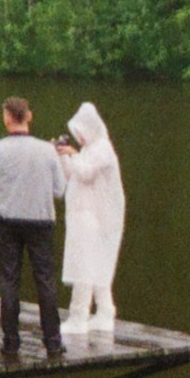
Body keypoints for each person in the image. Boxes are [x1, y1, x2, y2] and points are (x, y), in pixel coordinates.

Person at [0, 98, 66, 360]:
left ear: (7, 118)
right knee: (45, 280)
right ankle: (52, 341)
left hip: (8, 221)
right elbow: (59, 190)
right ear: (28, 116)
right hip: (41, 221)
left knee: (9, 280)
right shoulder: (47, 150)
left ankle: (10, 342)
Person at [57, 102, 126, 335]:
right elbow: (72, 175)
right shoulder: (88, 150)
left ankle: (79, 316)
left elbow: (86, 173)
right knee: (95, 263)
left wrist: (74, 155)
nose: (79, 137)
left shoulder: (102, 149)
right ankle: (105, 311)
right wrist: (64, 156)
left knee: (85, 265)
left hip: (95, 216)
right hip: (83, 215)